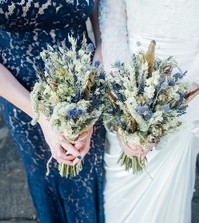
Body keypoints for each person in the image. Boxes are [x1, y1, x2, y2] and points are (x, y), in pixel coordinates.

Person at [100, 0, 199, 222]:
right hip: (128, 80)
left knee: (171, 187)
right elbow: (113, 23)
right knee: (123, 183)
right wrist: (124, 100)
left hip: (192, 86)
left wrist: (181, 97)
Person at [0, 1, 105, 222]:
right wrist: (44, 119)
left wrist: (91, 96)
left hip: (84, 90)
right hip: (22, 100)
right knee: (47, 179)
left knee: (88, 174)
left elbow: (104, 29)